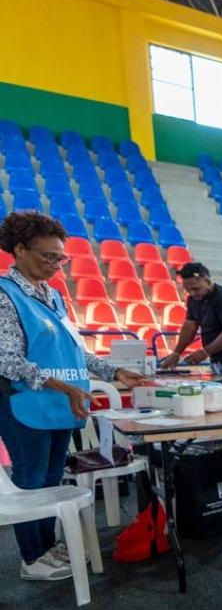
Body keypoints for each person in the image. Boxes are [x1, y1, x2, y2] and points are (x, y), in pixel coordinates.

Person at [0, 211, 152, 580]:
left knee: (52, 479)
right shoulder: (5, 295)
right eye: (48, 256)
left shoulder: (54, 297)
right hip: (26, 403)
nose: (56, 265)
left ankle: (49, 546)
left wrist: (114, 373)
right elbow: (7, 360)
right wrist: (65, 386)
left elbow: (75, 352)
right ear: (19, 249)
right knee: (31, 481)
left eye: (60, 258)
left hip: (61, 404)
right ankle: (32, 558)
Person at [159, 262, 222, 379]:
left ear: (207, 281)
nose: (192, 293)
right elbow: (190, 327)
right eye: (188, 289)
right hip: (218, 360)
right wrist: (177, 353)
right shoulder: (193, 299)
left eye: (196, 288)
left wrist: (205, 352)